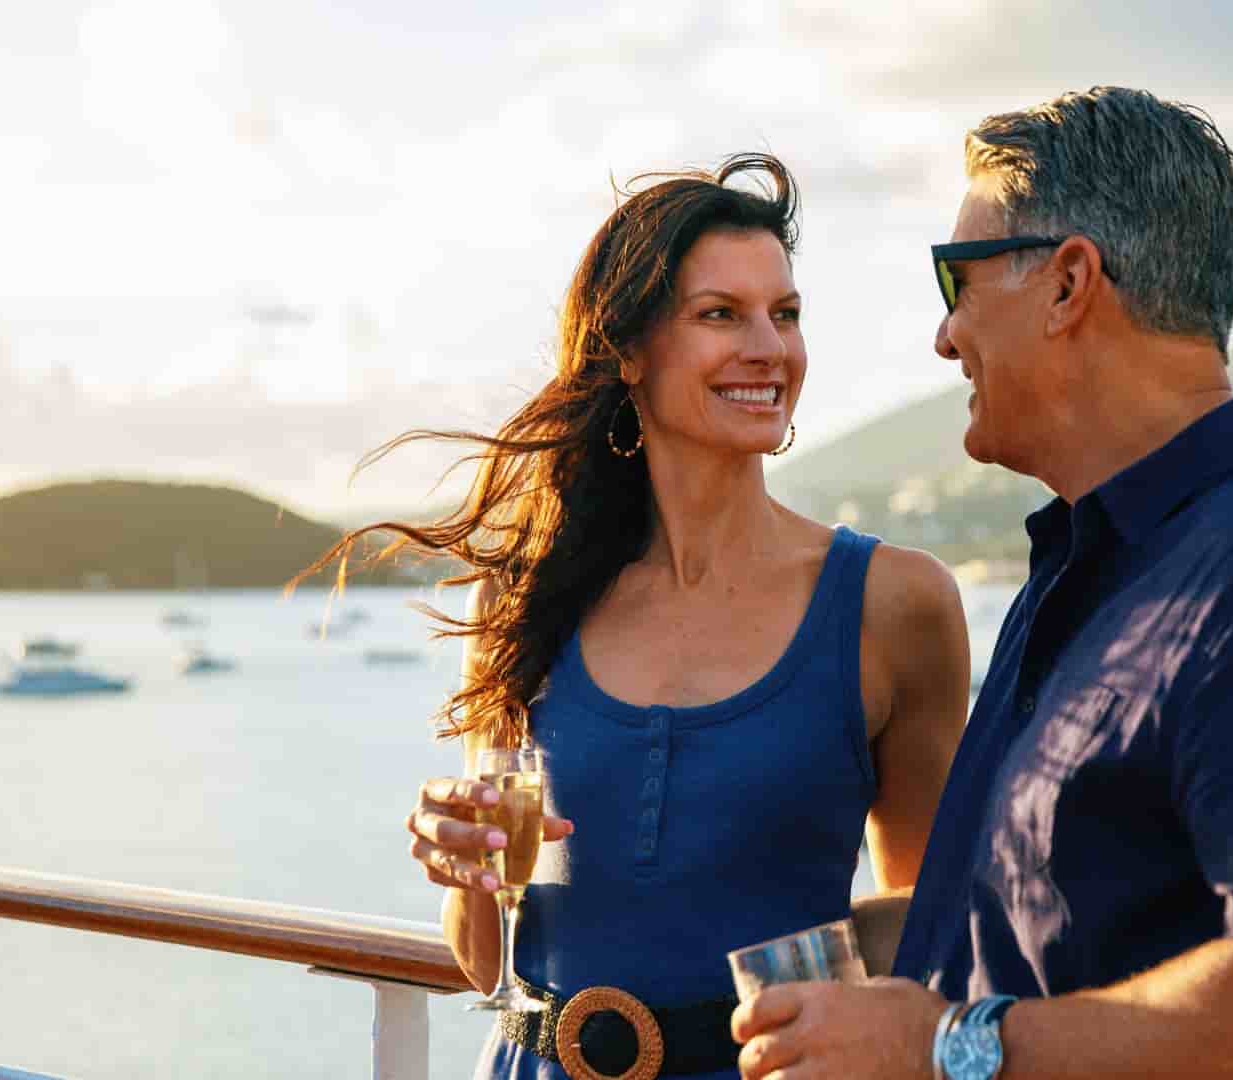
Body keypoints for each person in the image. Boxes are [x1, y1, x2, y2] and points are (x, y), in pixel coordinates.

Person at [731, 88, 1233, 1080]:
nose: (944, 337)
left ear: (1067, 284)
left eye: (954, 281)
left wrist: (939, 1049)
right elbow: (1043, 924)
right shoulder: (1093, 572)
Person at [350, 154, 972, 1079]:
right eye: (720, 314)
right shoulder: (526, 599)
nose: (770, 347)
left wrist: (779, 964)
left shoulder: (896, 602)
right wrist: (462, 871)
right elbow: (487, 957)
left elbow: (931, 910)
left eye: (786, 314)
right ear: (629, 350)